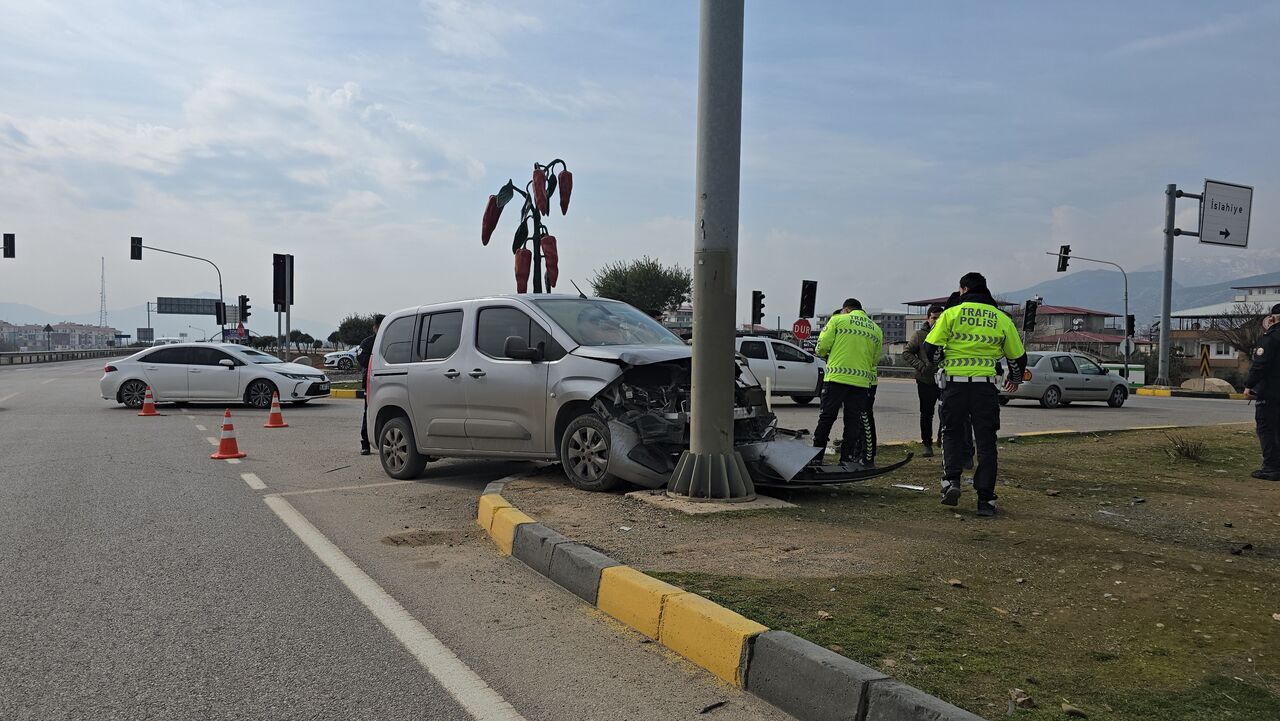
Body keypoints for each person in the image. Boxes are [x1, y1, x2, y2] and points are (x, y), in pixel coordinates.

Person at [924, 273, 1026, 516]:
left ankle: (952, 482)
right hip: (985, 388)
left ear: (964, 289)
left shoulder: (951, 313)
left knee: (951, 432)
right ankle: (986, 500)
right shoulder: (1001, 318)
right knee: (986, 442)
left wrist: (940, 361)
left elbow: (931, 348)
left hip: (955, 386)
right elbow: (1017, 357)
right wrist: (1015, 378)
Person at [813, 299, 883, 467]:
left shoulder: (837, 319)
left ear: (845, 309)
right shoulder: (876, 329)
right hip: (860, 382)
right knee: (852, 422)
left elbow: (821, 347)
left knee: (827, 418)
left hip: (836, 379)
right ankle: (847, 459)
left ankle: (816, 457)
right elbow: (874, 360)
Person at [1243, 303, 1280, 481]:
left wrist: (1249, 385)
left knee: (1267, 429)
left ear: (1272, 319)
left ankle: (1272, 467)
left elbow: (1261, 365)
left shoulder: (1271, 338)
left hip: (1271, 394)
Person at [903, 304, 944, 456]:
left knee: (946, 411)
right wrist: (922, 367)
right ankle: (927, 444)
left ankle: (942, 439)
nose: (937, 321)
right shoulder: (919, 335)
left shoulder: (947, 333)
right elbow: (907, 353)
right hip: (925, 380)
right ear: (928, 318)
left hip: (945, 379)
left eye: (940, 318)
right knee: (927, 413)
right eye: (934, 318)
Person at [358, 314, 385, 455]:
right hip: (371, 382)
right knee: (368, 412)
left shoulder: (390, 340)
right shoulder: (368, 343)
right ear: (374, 328)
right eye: (378, 326)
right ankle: (365, 443)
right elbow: (362, 359)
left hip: (386, 381)